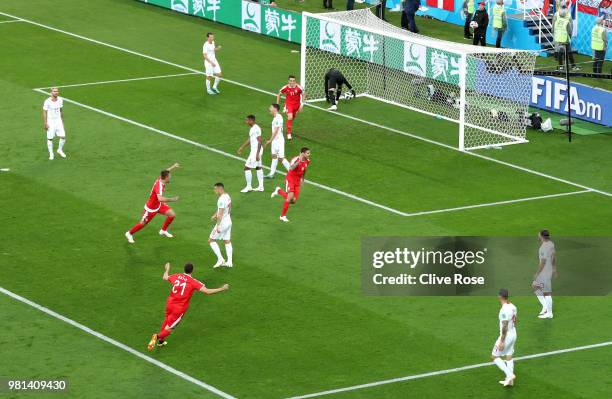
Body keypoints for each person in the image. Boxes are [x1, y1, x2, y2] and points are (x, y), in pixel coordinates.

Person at [147, 262, 229, 351]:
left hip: (170, 303)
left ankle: (161, 342)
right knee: (170, 328)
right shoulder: (193, 282)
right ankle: (157, 336)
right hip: (179, 308)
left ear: (184, 269)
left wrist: (167, 269)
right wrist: (222, 288)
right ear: (192, 270)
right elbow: (207, 291)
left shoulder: (176, 276)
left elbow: (165, 277)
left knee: (167, 319)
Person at [125, 163, 180, 244]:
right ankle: (129, 233)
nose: (170, 178)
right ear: (166, 178)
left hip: (158, 205)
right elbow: (160, 198)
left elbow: (166, 171)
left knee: (172, 214)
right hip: (151, 208)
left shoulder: (161, 178)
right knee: (143, 223)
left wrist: (173, 167)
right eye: (169, 177)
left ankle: (163, 230)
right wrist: (172, 199)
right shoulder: (159, 186)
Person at [271, 147, 311, 222]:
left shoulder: (307, 161)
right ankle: (282, 216)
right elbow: (291, 168)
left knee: (293, 201)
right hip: (290, 180)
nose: (309, 154)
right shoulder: (295, 159)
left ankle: (278, 191)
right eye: (308, 153)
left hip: (297, 182)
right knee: (289, 198)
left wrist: (303, 178)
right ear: (303, 153)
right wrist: (298, 162)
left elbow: (304, 169)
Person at [491, 288, 517, 387]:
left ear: (500, 297)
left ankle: (510, 375)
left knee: (494, 356)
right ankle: (510, 381)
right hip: (513, 333)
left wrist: (502, 341)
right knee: (509, 356)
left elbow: (505, 325)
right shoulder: (513, 306)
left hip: (506, 336)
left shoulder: (504, 310)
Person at [533, 229, 557, 319]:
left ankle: (549, 313)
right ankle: (546, 306)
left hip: (544, 272)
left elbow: (542, 262)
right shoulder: (551, 243)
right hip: (549, 270)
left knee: (546, 292)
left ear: (542, 236)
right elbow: (554, 256)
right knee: (535, 287)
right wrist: (554, 268)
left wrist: (537, 273)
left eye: (539, 235)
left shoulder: (543, 248)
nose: (538, 236)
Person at [237, 115, 264, 193]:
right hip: (256, 150)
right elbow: (250, 139)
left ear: (251, 120)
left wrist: (257, 153)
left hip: (256, 151)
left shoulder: (256, 128)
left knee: (247, 168)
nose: (246, 122)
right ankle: (261, 187)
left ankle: (249, 187)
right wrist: (242, 147)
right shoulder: (252, 129)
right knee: (258, 167)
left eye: (247, 120)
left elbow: (260, 141)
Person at [208, 183, 233, 268]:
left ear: (219, 189)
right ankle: (229, 262)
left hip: (222, 223)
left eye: (215, 189)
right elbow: (227, 208)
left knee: (211, 240)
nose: (214, 191)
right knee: (227, 240)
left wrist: (218, 225)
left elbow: (221, 213)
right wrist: (215, 214)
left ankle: (221, 259)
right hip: (229, 221)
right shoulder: (227, 196)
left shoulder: (221, 199)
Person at [265, 104, 291, 179]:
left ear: (275, 109)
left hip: (279, 140)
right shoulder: (275, 117)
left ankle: (293, 173)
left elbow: (276, 131)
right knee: (274, 156)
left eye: (271, 107)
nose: (269, 109)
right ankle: (271, 174)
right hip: (275, 141)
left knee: (281, 158)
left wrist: (270, 140)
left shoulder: (278, 117)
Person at [276, 75, 304, 140]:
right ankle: (289, 134)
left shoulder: (299, 87)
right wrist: (277, 104)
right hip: (289, 105)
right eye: (291, 81)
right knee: (290, 117)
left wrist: (302, 104)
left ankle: (287, 126)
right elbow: (279, 94)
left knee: (292, 118)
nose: (292, 82)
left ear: (295, 81)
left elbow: (303, 94)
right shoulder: (285, 87)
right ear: (288, 81)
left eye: (293, 81)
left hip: (297, 105)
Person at [43, 87, 67, 160]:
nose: (56, 92)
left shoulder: (60, 100)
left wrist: (62, 121)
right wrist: (45, 123)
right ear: (51, 92)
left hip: (58, 120)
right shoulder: (47, 101)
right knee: (50, 138)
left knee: (63, 136)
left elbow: (61, 110)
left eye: (57, 91)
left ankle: (59, 150)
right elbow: (44, 112)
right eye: (54, 91)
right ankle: (51, 153)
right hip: (50, 121)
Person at [553, 6, 578, 71]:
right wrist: (569, 38)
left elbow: (555, 29)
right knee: (569, 53)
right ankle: (573, 66)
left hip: (558, 39)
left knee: (560, 53)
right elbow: (570, 32)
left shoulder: (557, 22)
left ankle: (561, 66)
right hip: (565, 39)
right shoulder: (567, 22)